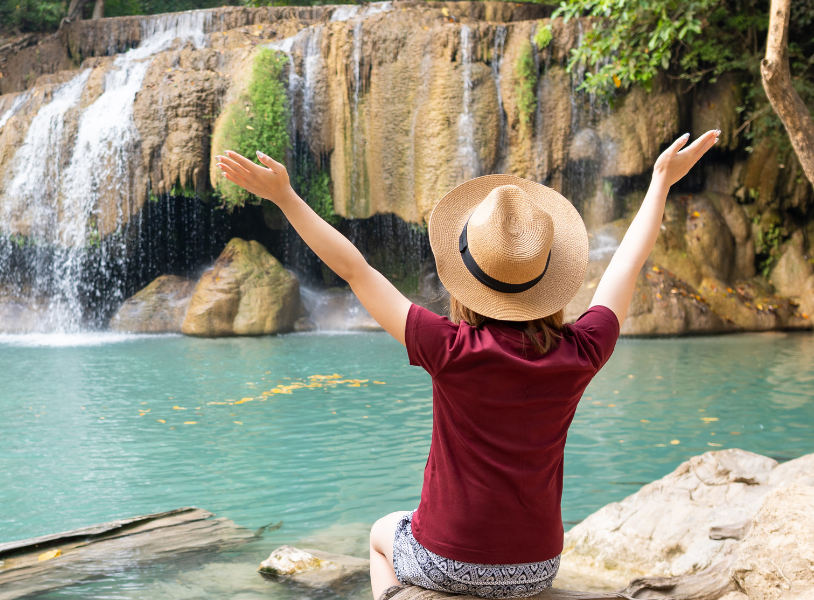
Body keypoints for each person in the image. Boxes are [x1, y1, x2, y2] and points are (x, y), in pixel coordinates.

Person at [215, 128, 720, 600]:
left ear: (467, 280)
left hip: (447, 560)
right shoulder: (582, 350)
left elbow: (354, 268)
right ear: (550, 280)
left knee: (380, 533)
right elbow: (627, 263)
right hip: (536, 567)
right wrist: (659, 182)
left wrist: (285, 196)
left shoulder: (449, 347)